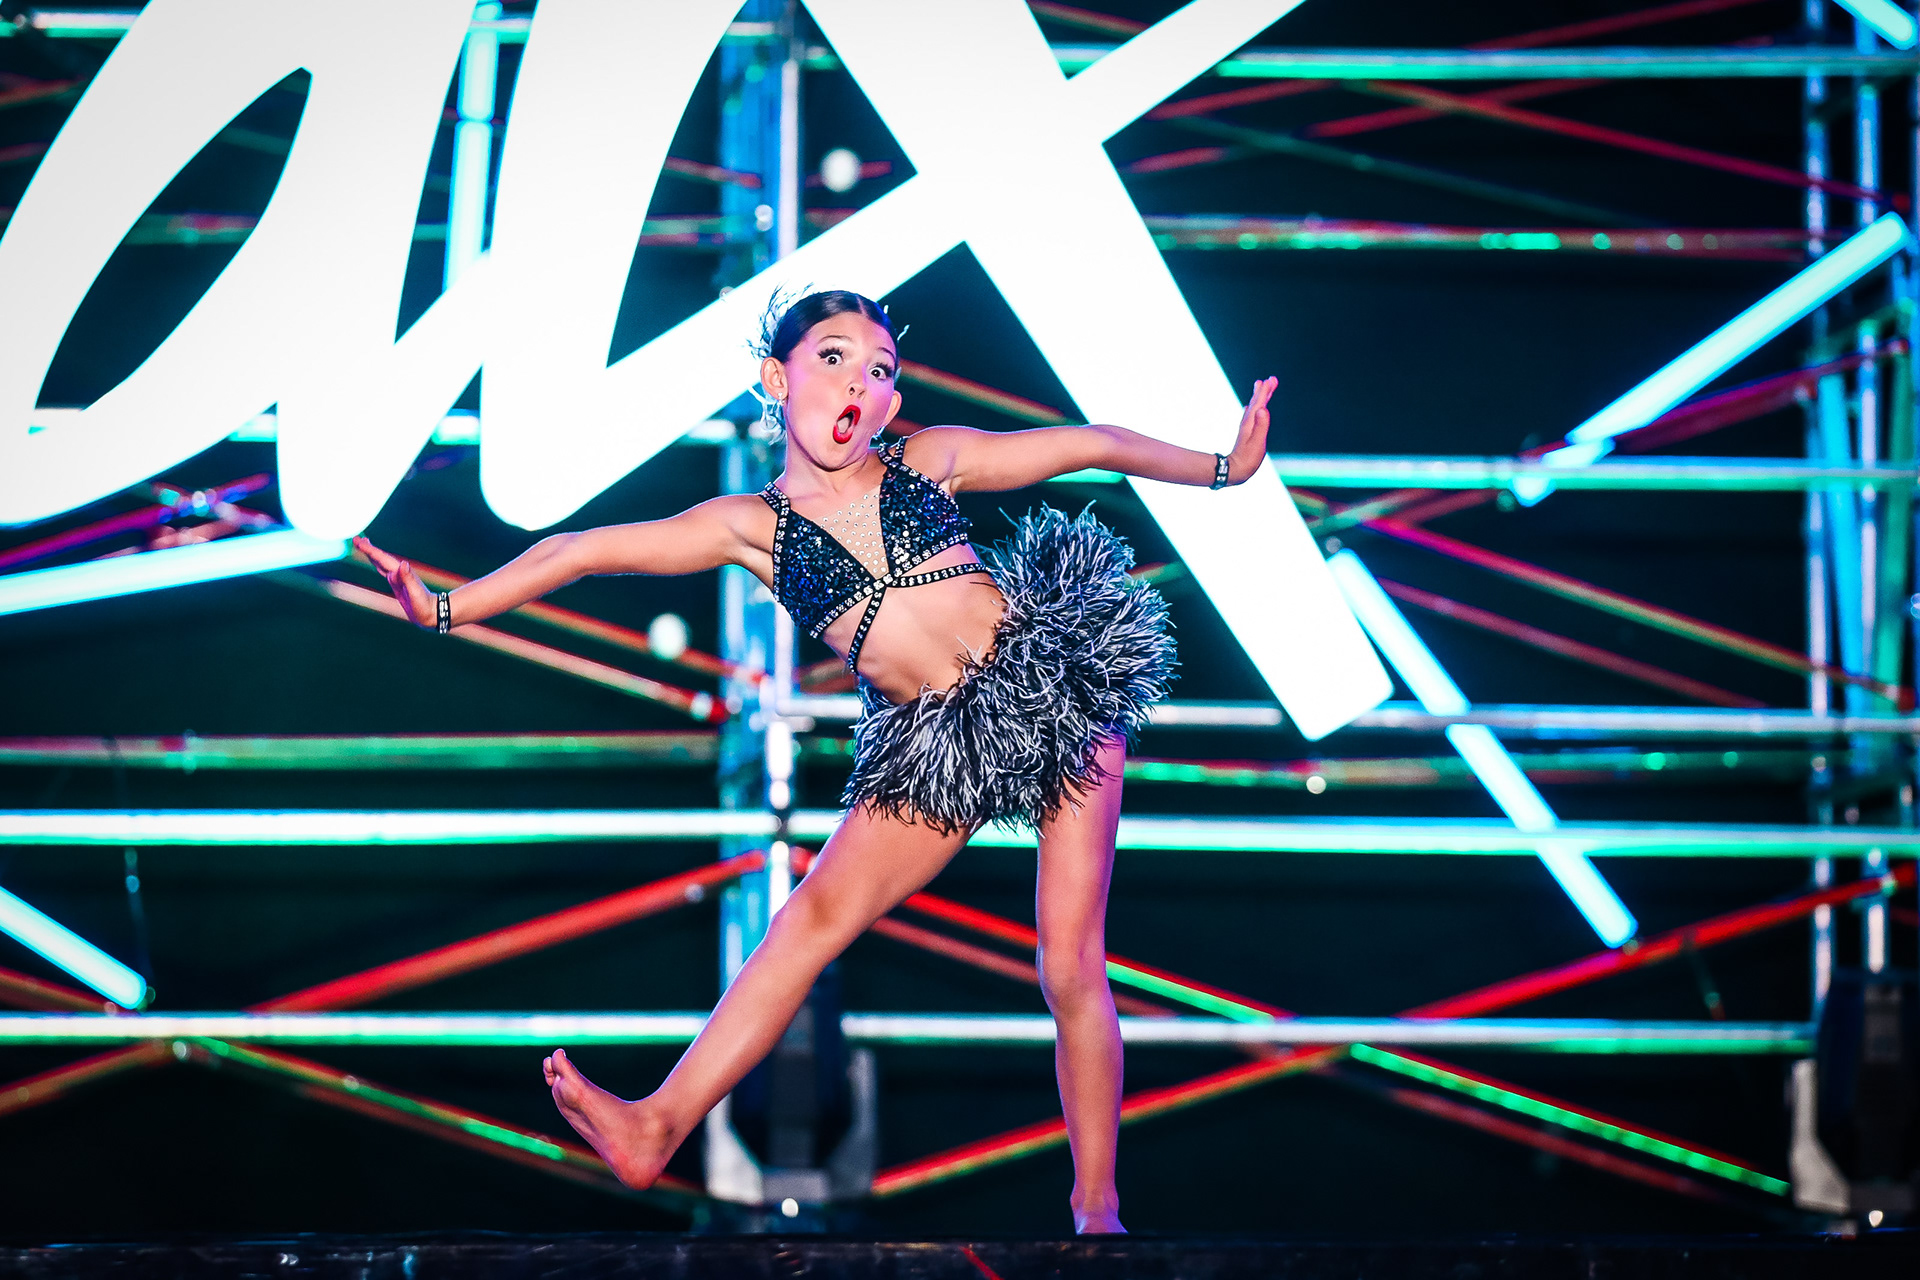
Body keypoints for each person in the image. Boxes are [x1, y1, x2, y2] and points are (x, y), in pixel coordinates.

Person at [356, 289, 1275, 1234]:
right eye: (833, 358)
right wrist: (448, 609)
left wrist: (1222, 468)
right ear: (777, 379)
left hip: (1054, 686)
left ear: (890, 402)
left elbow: (1093, 443)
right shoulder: (752, 526)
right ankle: (657, 1125)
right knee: (807, 920)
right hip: (939, 746)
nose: (858, 384)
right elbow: (586, 549)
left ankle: (1096, 1210)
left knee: (1070, 964)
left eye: (879, 370)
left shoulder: (929, 460)